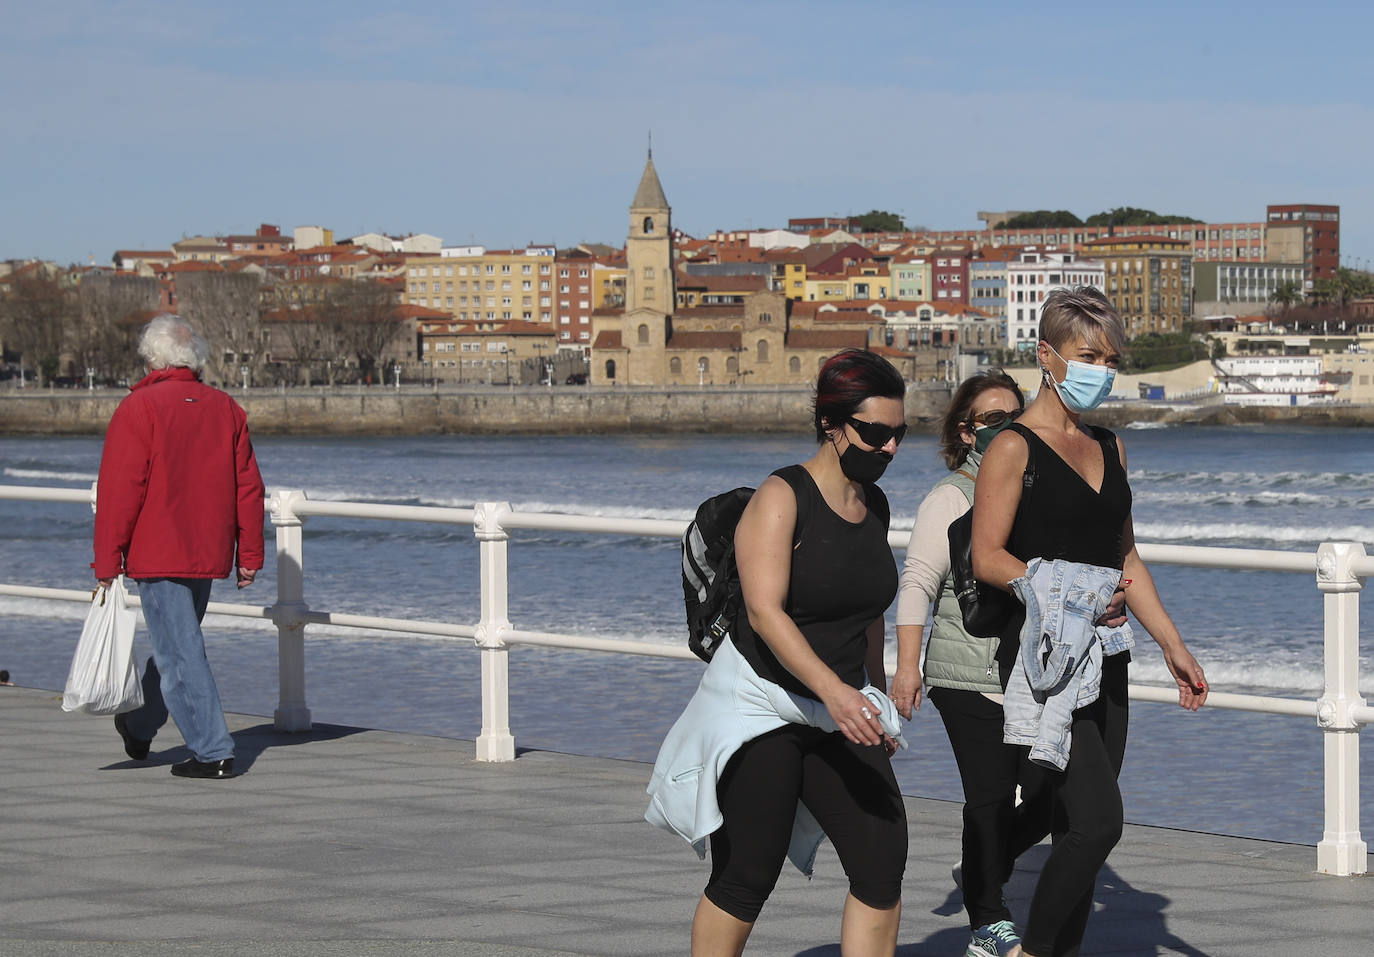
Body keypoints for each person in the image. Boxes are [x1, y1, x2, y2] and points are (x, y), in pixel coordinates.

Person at [648, 349, 910, 956]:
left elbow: (867, 610)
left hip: (836, 705)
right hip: (760, 705)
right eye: (876, 434)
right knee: (748, 872)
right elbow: (766, 614)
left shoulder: (875, 506)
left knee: (881, 857)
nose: (890, 449)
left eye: (900, 434)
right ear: (832, 425)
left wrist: (872, 691)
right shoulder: (781, 496)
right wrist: (837, 692)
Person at [971, 287, 1208, 957]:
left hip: (1110, 658)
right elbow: (987, 556)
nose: (1101, 369)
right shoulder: (1012, 447)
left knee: (1075, 824)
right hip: (1047, 659)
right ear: (1046, 355)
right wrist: (1067, 592)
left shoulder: (1111, 445)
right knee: (1101, 824)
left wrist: (1175, 646)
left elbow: (1126, 556)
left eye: (1108, 356)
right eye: (1086, 354)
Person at [893, 370, 1047, 957]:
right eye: (990, 419)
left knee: (1053, 792)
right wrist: (907, 667)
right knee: (989, 795)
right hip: (965, 675)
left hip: (1030, 674)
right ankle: (988, 919)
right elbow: (918, 584)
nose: (1006, 427)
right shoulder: (951, 498)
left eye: (1015, 415)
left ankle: (984, 867)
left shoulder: (1033, 493)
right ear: (965, 431)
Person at [94, 314, 265, 780]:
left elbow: (118, 491)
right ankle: (139, 722)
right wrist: (248, 555)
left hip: (159, 548)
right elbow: (248, 489)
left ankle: (214, 751)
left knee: (180, 651)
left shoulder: (140, 408)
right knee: (177, 645)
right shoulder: (225, 407)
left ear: (151, 358)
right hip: (206, 550)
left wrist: (107, 561)